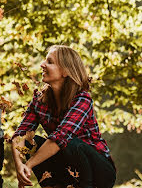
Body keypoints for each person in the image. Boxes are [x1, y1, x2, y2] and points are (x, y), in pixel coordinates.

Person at [11, 45, 116, 188]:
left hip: (100, 172)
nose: (42, 64)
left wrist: (28, 164)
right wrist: (20, 166)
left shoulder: (82, 99)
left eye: (50, 62)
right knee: (31, 141)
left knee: (70, 142)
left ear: (66, 71)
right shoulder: (39, 99)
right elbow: (20, 135)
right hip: (67, 167)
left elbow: (60, 138)